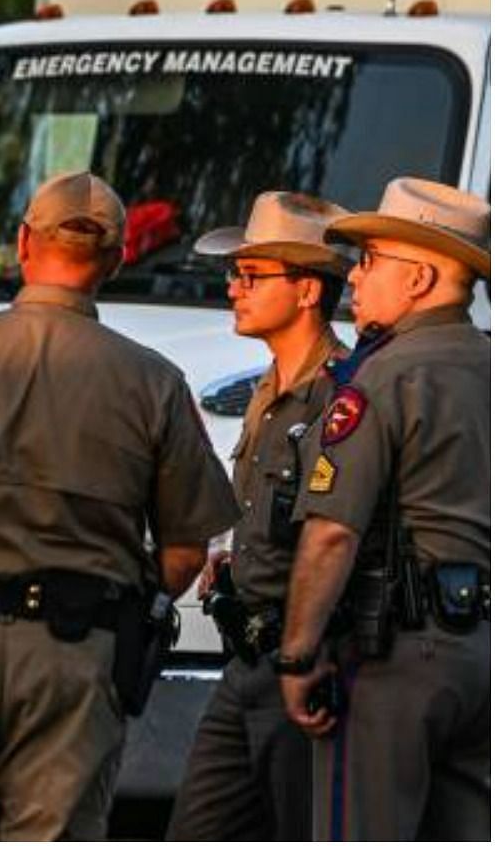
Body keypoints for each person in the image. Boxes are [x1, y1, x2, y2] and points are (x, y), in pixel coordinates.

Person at [0, 172, 240, 840]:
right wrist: (127, 602)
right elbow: (183, 552)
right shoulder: (155, 382)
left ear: (24, 242)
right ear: (114, 261)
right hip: (77, 654)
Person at [276, 177, 490, 841]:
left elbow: (332, 533)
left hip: (396, 654)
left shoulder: (386, 375)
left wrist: (297, 654)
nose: (356, 278)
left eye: (371, 261)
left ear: (422, 277)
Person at [166, 191, 352, 840]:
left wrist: (308, 653)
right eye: (233, 275)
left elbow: (338, 535)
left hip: (298, 667)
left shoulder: (338, 397)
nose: (233, 290)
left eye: (252, 275)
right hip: (244, 663)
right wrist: (233, 562)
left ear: (307, 291)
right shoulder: (267, 392)